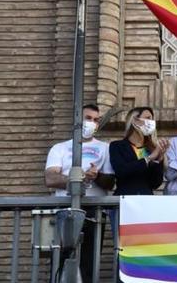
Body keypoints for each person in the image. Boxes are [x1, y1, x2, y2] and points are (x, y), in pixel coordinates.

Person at [45, 104, 116, 283]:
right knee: (60, 261)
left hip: (94, 213)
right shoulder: (59, 148)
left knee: (88, 263)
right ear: (77, 120)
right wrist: (76, 180)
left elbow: (110, 182)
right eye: (88, 118)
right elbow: (50, 179)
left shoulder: (105, 148)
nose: (92, 123)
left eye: (96, 120)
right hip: (64, 209)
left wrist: (97, 175)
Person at [109, 106, 169, 195]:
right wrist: (149, 158)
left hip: (145, 202)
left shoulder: (151, 148)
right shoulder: (117, 146)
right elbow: (121, 171)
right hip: (125, 199)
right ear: (135, 120)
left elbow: (155, 184)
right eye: (148, 118)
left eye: (152, 119)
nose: (151, 122)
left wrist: (158, 160)